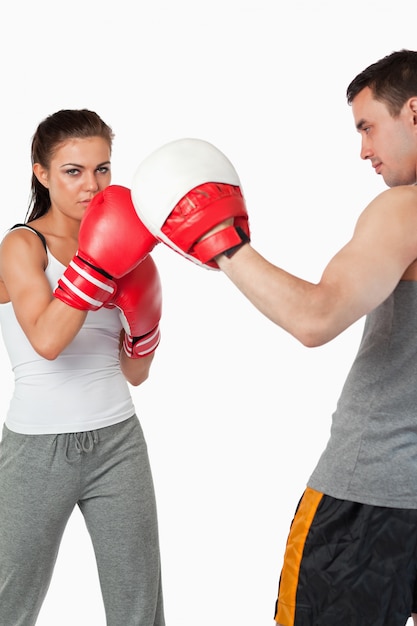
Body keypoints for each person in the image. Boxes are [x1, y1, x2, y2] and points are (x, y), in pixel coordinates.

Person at [128, 49, 417, 625]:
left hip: (373, 499)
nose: (363, 150)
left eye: (367, 127)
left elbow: (316, 318)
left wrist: (223, 244)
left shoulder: (404, 210)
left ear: (414, 111)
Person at [0, 109, 165, 626]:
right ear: (41, 173)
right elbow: (47, 340)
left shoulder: (122, 246)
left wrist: (146, 329)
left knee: (139, 608)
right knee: (10, 602)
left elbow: (134, 374)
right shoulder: (21, 246)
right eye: (73, 171)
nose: (91, 186)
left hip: (118, 440)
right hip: (36, 449)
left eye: (102, 169)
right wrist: (95, 269)